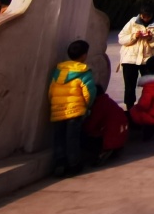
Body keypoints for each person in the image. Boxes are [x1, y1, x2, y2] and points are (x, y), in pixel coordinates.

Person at [48, 39, 96, 177]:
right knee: (72, 139)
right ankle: (74, 164)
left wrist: (54, 104)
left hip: (57, 109)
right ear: (84, 55)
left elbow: (51, 91)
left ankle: (60, 165)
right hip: (75, 110)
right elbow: (89, 93)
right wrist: (88, 106)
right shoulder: (84, 71)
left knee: (59, 138)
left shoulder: (58, 70)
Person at [118, 5, 154, 109]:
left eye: (148, 16)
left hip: (148, 60)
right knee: (129, 86)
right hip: (130, 58)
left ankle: (147, 107)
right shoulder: (133, 21)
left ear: (152, 15)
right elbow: (121, 38)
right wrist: (134, 36)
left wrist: (150, 38)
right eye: (143, 16)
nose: (145, 18)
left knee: (149, 86)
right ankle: (129, 108)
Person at [82, 83, 128, 164]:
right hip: (121, 139)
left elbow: (90, 125)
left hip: (109, 141)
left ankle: (101, 152)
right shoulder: (108, 101)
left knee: (82, 138)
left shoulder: (99, 105)